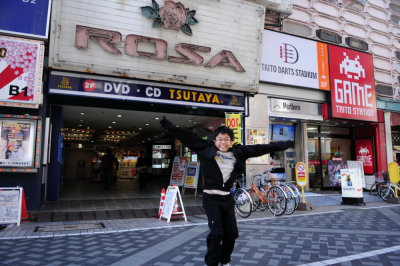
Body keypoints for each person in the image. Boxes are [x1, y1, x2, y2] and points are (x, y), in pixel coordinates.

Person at [160, 117, 294, 266]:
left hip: (227, 200)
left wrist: (283, 145)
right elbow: (188, 137)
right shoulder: (206, 148)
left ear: (231, 141)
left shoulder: (238, 152)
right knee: (217, 233)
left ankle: (225, 261)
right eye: (219, 139)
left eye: (226, 139)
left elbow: (259, 148)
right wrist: (170, 126)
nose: (223, 142)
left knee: (231, 234)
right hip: (211, 199)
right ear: (214, 141)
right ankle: (211, 263)